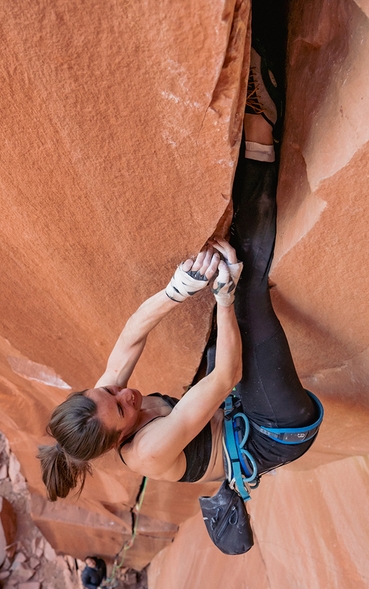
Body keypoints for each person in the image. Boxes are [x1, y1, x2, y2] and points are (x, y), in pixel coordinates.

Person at [38, 41, 323, 503]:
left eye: (110, 390)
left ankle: (255, 153)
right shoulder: (146, 452)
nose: (126, 394)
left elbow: (132, 334)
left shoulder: (107, 397)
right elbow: (225, 375)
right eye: (122, 408)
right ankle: (260, 131)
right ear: (117, 439)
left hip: (230, 409)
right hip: (271, 432)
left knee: (222, 289)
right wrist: (224, 296)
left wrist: (177, 289)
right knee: (244, 285)